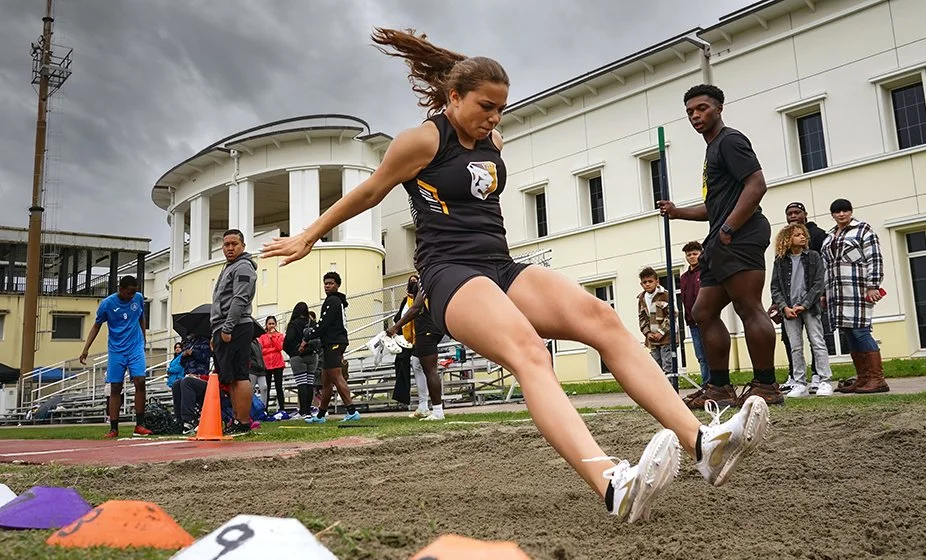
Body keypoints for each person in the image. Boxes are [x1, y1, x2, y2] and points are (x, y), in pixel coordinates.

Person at [262, 29, 771, 523]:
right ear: (454, 97)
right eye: (485, 107)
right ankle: (610, 482)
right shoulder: (421, 142)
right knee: (528, 351)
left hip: (501, 265)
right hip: (449, 274)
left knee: (602, 319)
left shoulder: (492, 140)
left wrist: (488, 121)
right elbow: (371, 192)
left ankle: (702, 443)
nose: (494, 118)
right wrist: (310, 234)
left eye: (500, 108)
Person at [659, 84, 783, 410]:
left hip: (740, 235)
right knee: (702, 312)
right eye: (690, 112)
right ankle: (719, 388)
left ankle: (766, 386)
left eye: (702, 108)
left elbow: (757, 184)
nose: (695, 116)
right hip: (719, 239)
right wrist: (678, 212)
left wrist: (729, 227)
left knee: (748, 307)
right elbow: (713, 207)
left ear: (719, 108)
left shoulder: (730, 140)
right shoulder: (711, 149)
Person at [821, 198, 889, 393]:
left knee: (861, 331)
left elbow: (874, 258)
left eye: (845, 211)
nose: (841, 214)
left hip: (858, 289)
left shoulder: (863, 230)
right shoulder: (829, 237)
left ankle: (878, 379)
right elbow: (825, 267)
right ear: (832, 215)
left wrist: (873, 285)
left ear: (850, 212)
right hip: (837, 293)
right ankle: (863, 378)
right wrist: (824, 293)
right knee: (849, 332)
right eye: (837, 212)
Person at [80, 275, 152, 438]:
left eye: (134, 293)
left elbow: (141, 317)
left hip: (135, 347)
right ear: (121, 289)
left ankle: (140, 424)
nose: (131, 296)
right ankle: (113, 427)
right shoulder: (107, 304)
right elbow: (96, 326)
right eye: (129, 292)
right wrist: (86, 348)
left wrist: (144, 336)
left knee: (140, 381)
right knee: (115, 387)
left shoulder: (138, 299)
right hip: (117, 350)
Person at [770, 223, 832, 397]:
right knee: (795, 346)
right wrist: (784, 307)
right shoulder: (780, 261)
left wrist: (805, 304)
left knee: (817, 343)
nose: (802, 237)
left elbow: (818, 283)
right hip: (789, 310)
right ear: (787, 239)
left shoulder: (813, 256)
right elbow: (775, 287)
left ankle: (824, 380)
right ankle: (799, 383)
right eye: (797, 235)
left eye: (803, 234)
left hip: (810, 308)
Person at [210, 229, 258, 435]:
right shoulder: (230, 267)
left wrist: (227, 328)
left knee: (239, 375)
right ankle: (237, 420)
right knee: (229, 377)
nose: (230, 248)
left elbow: (240, 299)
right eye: (226, 244)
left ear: (243, 246)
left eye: (234, 244)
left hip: (236, 326)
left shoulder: (243, 267)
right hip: (224, 326)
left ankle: (243, 422)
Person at [387, 276, 445, 421]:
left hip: (427, 328)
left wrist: (396, 326)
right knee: (416, 363)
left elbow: (416, 308)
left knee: (430, 369)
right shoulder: (433, 281)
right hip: (429, 328)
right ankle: (423, 405)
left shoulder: (425, 281)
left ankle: (438, 411)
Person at [313, 272, 360, 423]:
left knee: (336, 376)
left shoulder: (332, 300)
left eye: (331, 283)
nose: (327, 286)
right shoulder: (336, 300)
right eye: (325, 283)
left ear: (337, 285)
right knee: (326, 380)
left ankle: (352, 411)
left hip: (334, 342)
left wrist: (308, 337)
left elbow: (324, 323)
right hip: (332, 342)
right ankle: (320, 415)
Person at [679, 241, 710, 385]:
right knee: (701, 356)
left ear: (701, 254)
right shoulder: (684, 277)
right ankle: (706, 383)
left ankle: (715, 383)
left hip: (708, 321)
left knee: (711, 353)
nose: (691, 257)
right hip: (692, 322)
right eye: (688, 254)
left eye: (695, 254)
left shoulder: (706, 271)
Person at [283, 302, 319, 419]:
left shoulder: (293, 324)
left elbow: (287, 341)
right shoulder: (313, 323)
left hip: (298, 357)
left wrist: (294, 353)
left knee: (301, 383)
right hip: (313, 356)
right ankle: (308, 410)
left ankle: (303, 411)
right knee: (310, 383)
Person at [390, 276, 419, 411]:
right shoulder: (405, 301)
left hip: (418, 337)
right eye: (411, 281)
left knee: (420, 367)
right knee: (400, 364)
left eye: (415, 281)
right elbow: (399, 317)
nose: (413, 283)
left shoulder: (420, 299)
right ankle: (402, 398)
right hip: (404, 339)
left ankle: (425, 400)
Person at [637, 267, 673, 375]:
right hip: (652, 339)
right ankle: (658, 391)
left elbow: (672, 314)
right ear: (641, 284)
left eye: (650, 281)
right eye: (645, 282)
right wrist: (647, 333)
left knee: (668, 365)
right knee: (655, 367)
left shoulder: (665, 295)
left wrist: (661, 332)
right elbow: (641, 317)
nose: (647, 284)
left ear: (657, 282)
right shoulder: (641, 298)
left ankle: (670, 389)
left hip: (666, 338)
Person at [258, 315, 287, 412]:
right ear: (266, 325)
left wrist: (273, 338)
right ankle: (265, 409)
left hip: (278, 364)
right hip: (266, 365)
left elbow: (279, 347)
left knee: (279, 387)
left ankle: (282, 408)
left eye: (273, 324)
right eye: (269, 324)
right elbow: (261, 350)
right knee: (267, 388)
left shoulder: (280, 336)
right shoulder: (262, 336)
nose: (271, 326)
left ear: (276, 324)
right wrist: (271, 349)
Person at [249, 335, 268, 407]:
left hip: (260, 369)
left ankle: (263, 407)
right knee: (251, 388)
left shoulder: (258, 343)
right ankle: (251, 408)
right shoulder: (248, 342)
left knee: (264, 387)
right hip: (253, 369)